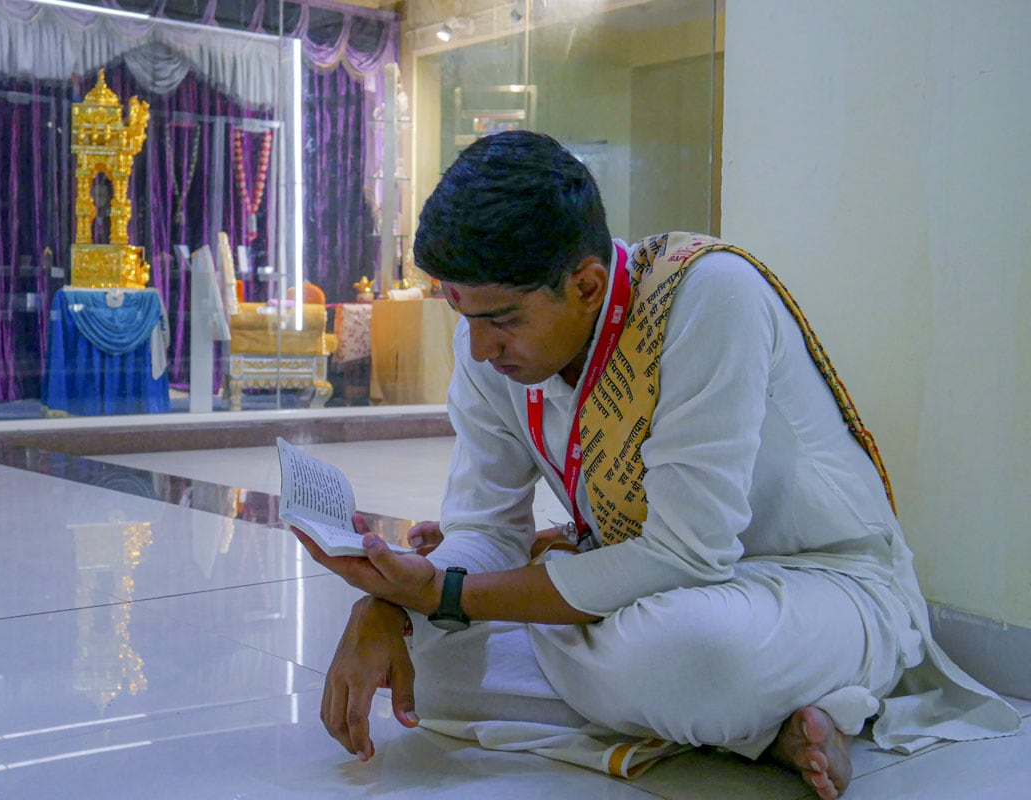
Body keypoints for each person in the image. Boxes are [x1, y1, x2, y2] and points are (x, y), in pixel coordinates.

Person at [294, 131, 1019, 799]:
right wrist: (395, 603)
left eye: (503, 320)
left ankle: (718, 708)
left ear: (585, 286)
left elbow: (686, 555)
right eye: (465, 317)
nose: (480, 349)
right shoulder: (488, 352)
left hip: (815, 587)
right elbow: (485, 531)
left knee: (697, 655)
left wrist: (450, 595)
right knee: (430, 672)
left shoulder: (708, 296)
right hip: (645, 590)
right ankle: (758, 731)